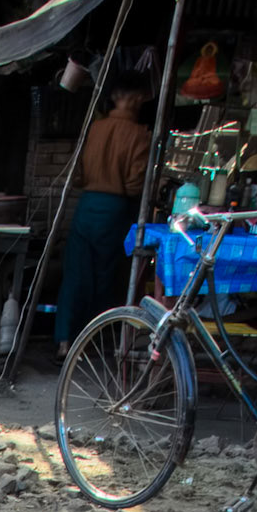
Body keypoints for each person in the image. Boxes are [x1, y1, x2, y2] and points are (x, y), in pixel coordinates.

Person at [55, 76, 152, 356]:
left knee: (75, 274)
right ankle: (92, 340)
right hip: (115, 209)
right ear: (134, 100)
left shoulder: (95, 128)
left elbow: (80, 174)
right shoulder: (139, 134)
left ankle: (64, 343)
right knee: (104, 277)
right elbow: (135, 184)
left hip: (87, 206)